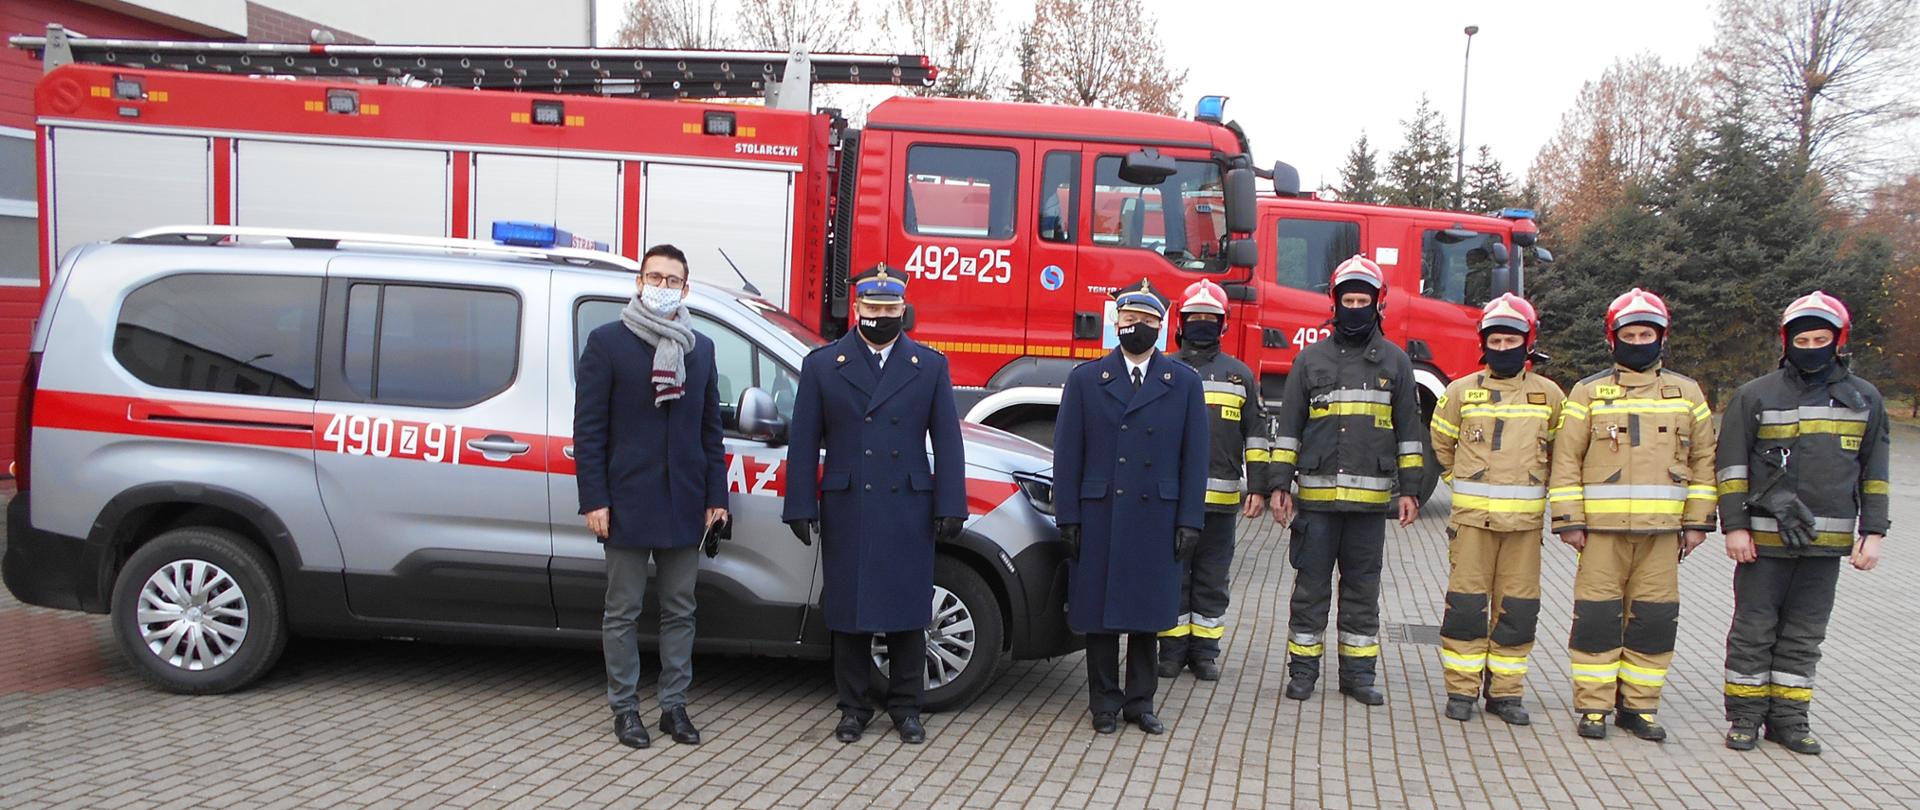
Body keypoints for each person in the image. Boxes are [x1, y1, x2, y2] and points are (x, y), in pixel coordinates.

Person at [782, 264, 966, 745]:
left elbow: (948, 442)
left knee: (907, 611)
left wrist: (952, 503)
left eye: (890, 309)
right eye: (872, 307)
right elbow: (803, 442)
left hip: (908, 503)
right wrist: (799, 504)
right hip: (849, 503)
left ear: (903, 311)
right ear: (856, 309)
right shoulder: (824, 365)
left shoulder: (929, 366)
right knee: (850, 613)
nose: (880, 316)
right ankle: (852, 707)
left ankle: (907, 707)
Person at [1716, 291, 1889, 755]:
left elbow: (1875, 471)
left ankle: (1789, 720)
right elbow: (1731, 467)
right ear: (1786, 340)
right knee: (1753, 631)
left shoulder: (1864, 399)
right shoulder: (1755, 395)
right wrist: (1735, 526)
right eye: (1802, 338)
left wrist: (1873, 533)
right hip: (1762, 543)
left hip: (1825, 545)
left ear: (1838, 341)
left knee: (1804, 636)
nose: (1810, 346)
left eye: (1820, 338)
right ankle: (1746, 718)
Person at [575, 244, 729, 750]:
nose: (661, 287)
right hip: (625, 500)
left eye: (671, 280)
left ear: (685, 289)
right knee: (622, 610)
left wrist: (716, 496)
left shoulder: (700, 349)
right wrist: (594, 498)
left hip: (685, 500)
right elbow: (589, 430)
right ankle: (624, 710)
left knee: (680, 609)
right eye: (653, 277)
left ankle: (673, 707)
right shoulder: (607, 343)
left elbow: (711, 433)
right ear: (639, 282)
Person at [1549, 287, 1716, 742]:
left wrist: (1698, 523)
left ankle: (1639, 709)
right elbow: (1566, 460)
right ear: (1613, 338)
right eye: (1631, 333)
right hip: (1601, 535)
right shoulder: (1587, 393)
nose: (1639, 341)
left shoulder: (1687, 393)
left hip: (1663, 536)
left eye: (1647, 333)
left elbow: (1705, 459)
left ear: (1662, 338)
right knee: (1598, 619)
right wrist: (1570, 521)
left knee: (1654, 620)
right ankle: (1594, 707)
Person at [1268, 255, 1424, 707]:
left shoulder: (1395, 363)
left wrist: (1410, 490)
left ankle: (1358, 677)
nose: (1355, 307)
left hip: (1369, 509)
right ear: (1334, 303)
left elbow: (1409, 432)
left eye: (1363, 300)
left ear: (1378, 305)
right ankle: (1302, 673)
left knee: (1362, 592)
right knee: (1309, 592)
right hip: (1315, 505)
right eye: (1348, 299)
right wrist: (1281, 484)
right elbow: (1290, 428)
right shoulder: (1309, 360)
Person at [1053, 279, 1208, 734]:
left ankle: (1140, 703)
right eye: (1128, 320)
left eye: (1145, 321)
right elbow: (1068, 454)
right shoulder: (1086, 380)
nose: (1135, 328)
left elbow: (1193, 457)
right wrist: (1069, 516)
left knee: (1147, 616)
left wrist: (1189, 520)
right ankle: (1103, 703)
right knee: (1100, 618)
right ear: (1115, 323)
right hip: (1101, 514)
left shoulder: (1182, 383)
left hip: (1155, 516)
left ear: (1160, 327)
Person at [1429, 294, 1563, 726]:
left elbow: (1563, 454)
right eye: (1496, 340)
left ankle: (1506, 693)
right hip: (1472, 525)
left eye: (1511, 340)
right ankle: (1461, 692)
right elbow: (1442, 446)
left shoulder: (1551, 396)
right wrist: (1463, 485)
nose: (1503, 348)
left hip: (1524, 529)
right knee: (1467, 608)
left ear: (1528, 343)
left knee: (1517, 610)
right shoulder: (1459, 392)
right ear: (1484, 343)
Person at [1157, 279, 1268, 682]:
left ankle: (1204, 652)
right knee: (1172, 575)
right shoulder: (1162, 369)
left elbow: (1255, 435)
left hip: (1221, 503)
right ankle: (1170, 650)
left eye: (1210, 318)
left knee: (1211, 579)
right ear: (1181, 322)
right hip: (1170, 501)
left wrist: (1257, 486)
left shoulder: (1240, 376)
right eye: (1195, 317)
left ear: (1223, 325)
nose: (1202, 323)